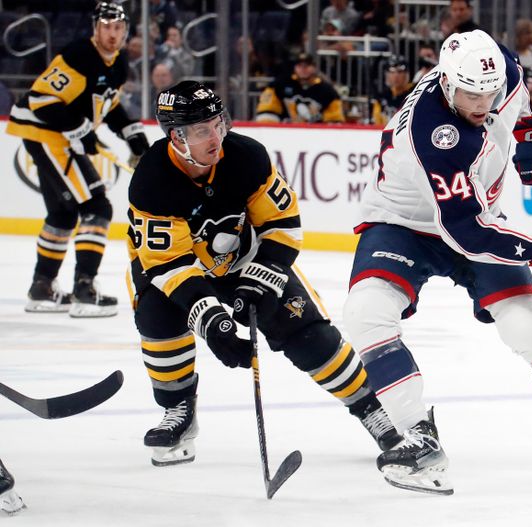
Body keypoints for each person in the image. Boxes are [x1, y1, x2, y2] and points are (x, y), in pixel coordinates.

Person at [343, 29, 532, 495]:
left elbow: (521, 95)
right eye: (470, 95)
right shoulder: (433, 134)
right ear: (445, 82)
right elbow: (468, 233)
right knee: (366, 314)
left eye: (490, 93)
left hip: (478, 215)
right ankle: (418, 437)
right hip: (405, 224)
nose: (482, 104)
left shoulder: (503, 69)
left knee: (528, 325)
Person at [128, 80, 400, 466]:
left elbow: (283, 225)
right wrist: (212, 321)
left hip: (243, 258)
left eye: (218, 123)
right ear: (177, 137)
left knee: (306, 331)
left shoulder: (245, 156)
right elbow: (169, 263)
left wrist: (259, 281)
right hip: (174, 269)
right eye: (202, 130)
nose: (216, 136)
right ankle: (178, 410)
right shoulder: (152, 179)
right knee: (156, 315)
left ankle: (371, 409)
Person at [6, 2, 149, 317]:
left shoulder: (119, 62)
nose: (112, 34)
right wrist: (79, 129)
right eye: (107, 27)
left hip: (58, 137)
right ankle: (85, 290)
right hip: (47, 135)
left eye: (118, 28)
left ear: (126, 31)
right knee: (97, 206)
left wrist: (133, 136)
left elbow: (106, 106)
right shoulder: (78, 55)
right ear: (95, 28)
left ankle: (41, 288)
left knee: (62, 214)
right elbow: (41, 99)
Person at [254, 53, 345, 123]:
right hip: (286, 132)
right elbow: (266, 112)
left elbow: (334, 120)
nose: (303, 69)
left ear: (314, 67)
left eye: (307, 66)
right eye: (299, 66)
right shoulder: (280, 84)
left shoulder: (327, 90)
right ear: (294, 68)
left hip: (316, 135)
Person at [371, 56, 414, 126]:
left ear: (407, 74)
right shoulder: (382, 98)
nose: (396, 76)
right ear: (387, 74)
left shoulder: (414, 94)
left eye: (400, 72)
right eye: (392, 72)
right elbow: (376, 123)